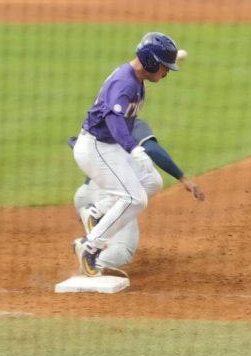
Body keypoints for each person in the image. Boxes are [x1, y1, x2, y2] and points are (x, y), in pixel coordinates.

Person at [71, 33, 181, 276]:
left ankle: (96, 211)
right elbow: (113, 119)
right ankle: (90, 247)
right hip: (96, 148)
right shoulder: (125, 83)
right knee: (135, 198)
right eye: (164, 67)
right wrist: (133, 148)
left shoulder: (136, 78)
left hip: (108, 146)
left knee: (152, 181)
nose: (166, 73)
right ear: (151, 62)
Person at [72, 117, 205, 276]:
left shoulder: (96, 127)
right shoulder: (128, 122)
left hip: (84, 195)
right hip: (109, 193)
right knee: (123, 249)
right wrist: (183, 178)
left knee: (151, 182)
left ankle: (95, 218)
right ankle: (95, 261)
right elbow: (152, 150)